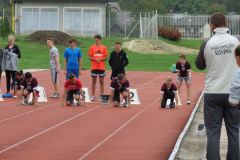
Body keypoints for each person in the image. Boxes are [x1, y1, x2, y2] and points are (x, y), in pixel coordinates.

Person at [195, 12, 240, 160]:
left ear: (211, 25)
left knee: (213, 132)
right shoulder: (237, 40)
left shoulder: (207, 43)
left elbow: (199, 65)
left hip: (213, 93)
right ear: (227, 25)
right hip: (234, 92)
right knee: (234, 130)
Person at [88, 34, 108, 101]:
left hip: (101, 67)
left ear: (100, 40)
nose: (97, 41)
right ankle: (93, 96)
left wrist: (100, 59)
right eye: (96, 40)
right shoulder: (92, 47)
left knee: (101, 81)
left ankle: (102, 96)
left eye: (98, 40)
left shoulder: (104, 48)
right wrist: (95, 59)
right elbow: (89, 57)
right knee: (94, 81)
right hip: (94, 67)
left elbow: (106, 58)